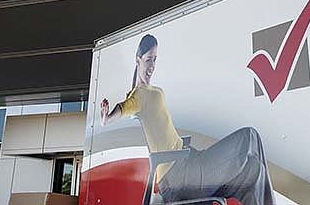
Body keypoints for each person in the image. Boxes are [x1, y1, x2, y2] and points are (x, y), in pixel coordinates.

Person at [100, 34, 275, 205]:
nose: (152, 65)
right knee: (250, 135)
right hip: (179, 178)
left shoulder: (154, 91)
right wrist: (107, 118)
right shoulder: (139, 95)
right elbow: (125, 107)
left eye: (155, 59)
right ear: (138, 60)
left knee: (254, 170)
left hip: (189, 161)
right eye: (148, 60)